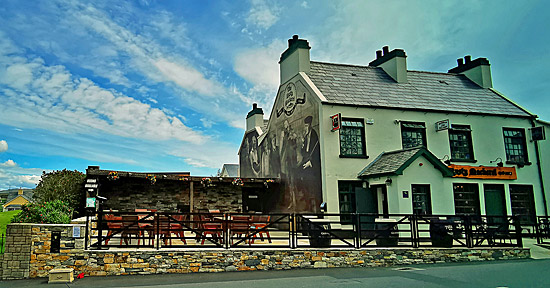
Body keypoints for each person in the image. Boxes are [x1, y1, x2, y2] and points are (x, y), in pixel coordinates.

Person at [297, 115, 321, 212]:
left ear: (310, 125)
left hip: (313, 163)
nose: (305, 128)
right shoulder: (306, 136)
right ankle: (305, 198)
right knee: (298, 172)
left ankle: (315, 206)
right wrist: (302, 144)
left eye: (306, 126)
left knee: (313, 184)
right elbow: (304, 151)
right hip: (306, 159)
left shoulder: (314, 134)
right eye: (305, 126)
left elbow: (316, 151)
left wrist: (310, 162)